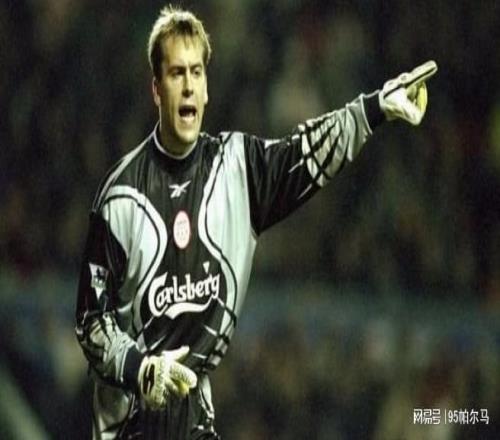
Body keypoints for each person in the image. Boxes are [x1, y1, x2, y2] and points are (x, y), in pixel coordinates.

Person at [75, 5, 437, 440]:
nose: (188, 86)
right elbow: (90, 322)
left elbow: (306, 151)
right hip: (128, 426)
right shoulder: (120, 198)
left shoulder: (237, 170)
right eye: (176, 73)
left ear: (207, 88)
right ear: (156, 89)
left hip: (194, 421)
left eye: (196, 73)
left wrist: (373, 109)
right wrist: (141, 369)